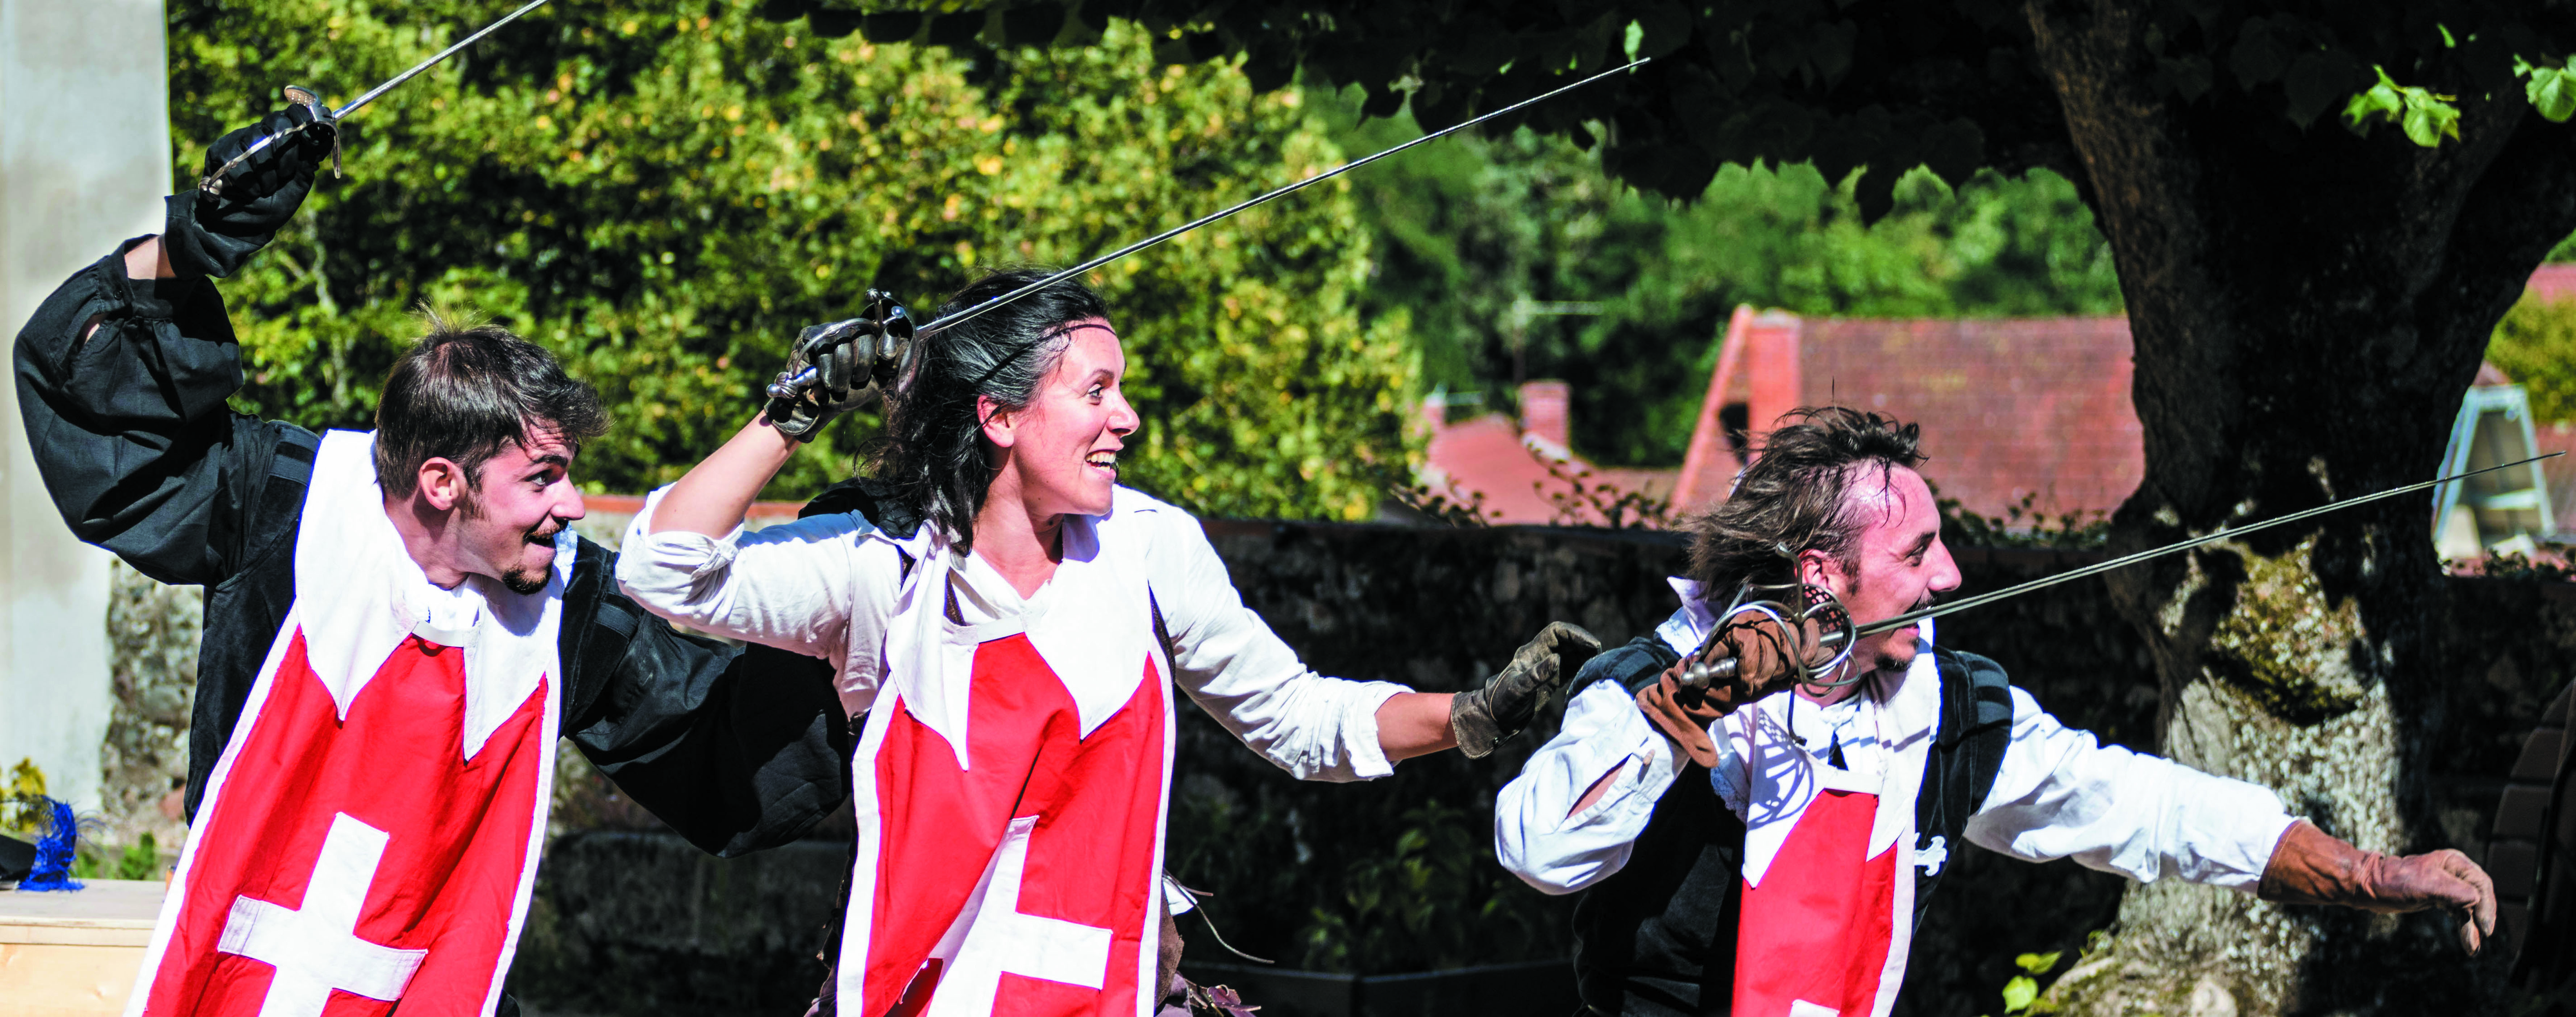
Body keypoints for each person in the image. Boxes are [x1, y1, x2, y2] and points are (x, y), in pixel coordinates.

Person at [14, 105, 847, 1015]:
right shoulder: (282, 503)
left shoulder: (565, 600)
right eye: (544, 479)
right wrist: (186, 246)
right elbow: (104, 428)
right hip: (231, 981)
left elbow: (722, 754)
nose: (571, 507)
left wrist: (860, 564)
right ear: (444, 482)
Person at [614, 269, 1596, 1017]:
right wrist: (797, 410)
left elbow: (1296, 715)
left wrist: (1468, 715)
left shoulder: (1148, 543)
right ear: (998, 415)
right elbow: (660, 571)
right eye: (1096, 391)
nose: (1125, 417)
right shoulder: (884, 567)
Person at [1492, 407, 2498, 1017]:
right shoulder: (1644, 682)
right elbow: (1537, 848)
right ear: (1818, 574)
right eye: (1917, 551)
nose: (1951, 574)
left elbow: (2144, 808)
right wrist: (1680, 709)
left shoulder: (1947, 706)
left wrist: (2369, 870)